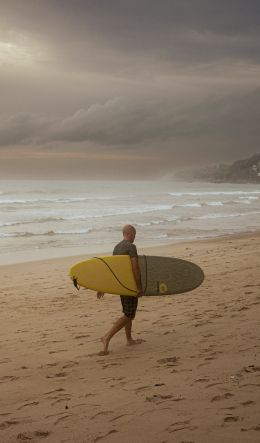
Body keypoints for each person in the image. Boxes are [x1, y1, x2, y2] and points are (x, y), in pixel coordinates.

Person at [97, 224, 143, 355]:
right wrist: (139, 287)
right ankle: (106, 337)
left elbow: (113, 269)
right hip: (130, 285)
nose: (135, 238)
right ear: (130, 233)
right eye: (134, 235)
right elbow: (135, 268)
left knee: (127, 312)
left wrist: (102, 287)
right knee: (129, 314)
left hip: (121, 286)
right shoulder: (131, 247)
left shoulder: (116, 247)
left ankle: (129, 339)